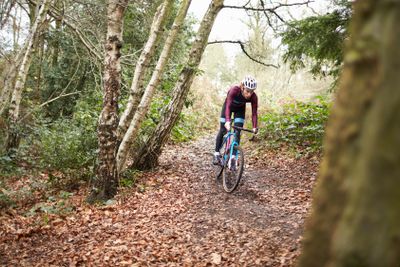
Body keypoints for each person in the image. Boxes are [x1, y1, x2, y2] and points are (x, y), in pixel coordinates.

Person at [212, 75, 259, 165]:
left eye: (252, 91)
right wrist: (228, 120)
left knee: (237, 131)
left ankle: (233, 157)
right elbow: (228, 105)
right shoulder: (234, 90)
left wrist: (254, 127)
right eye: (247, 91)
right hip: (228, 108)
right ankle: (216, 153)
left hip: (240, 110)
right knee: (223, 130)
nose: (249, 94)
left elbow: (254, 113)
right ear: (242, 87)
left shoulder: (254, 97)